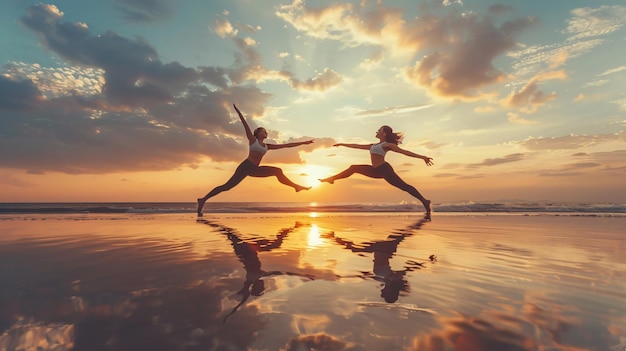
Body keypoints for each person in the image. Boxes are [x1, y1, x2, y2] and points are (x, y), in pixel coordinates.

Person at [197, 104, 313, 217]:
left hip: (255, 169)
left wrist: (303, 143)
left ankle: (296, 187)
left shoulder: (267, 146)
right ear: (257, 133)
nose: (266, 133)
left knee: (278, 171)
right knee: (227, 187)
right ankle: (203, 200)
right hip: (245, 167)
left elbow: (286, 145)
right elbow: (245, 124)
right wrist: (238, 112)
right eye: (264, 131)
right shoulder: (253, 140)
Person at [319, 125, 434, 215]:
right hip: (375, 170)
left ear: (383, 133)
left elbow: (405, 152)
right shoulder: (374, 145)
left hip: (384, 170)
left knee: (404, 187)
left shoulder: (387, 145)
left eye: (378, 130)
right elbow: (357, 146)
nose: (376, 132)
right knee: (353, 168)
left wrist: (423, 157)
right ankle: (332, 179)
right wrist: (343, 144)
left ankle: (424, 201)